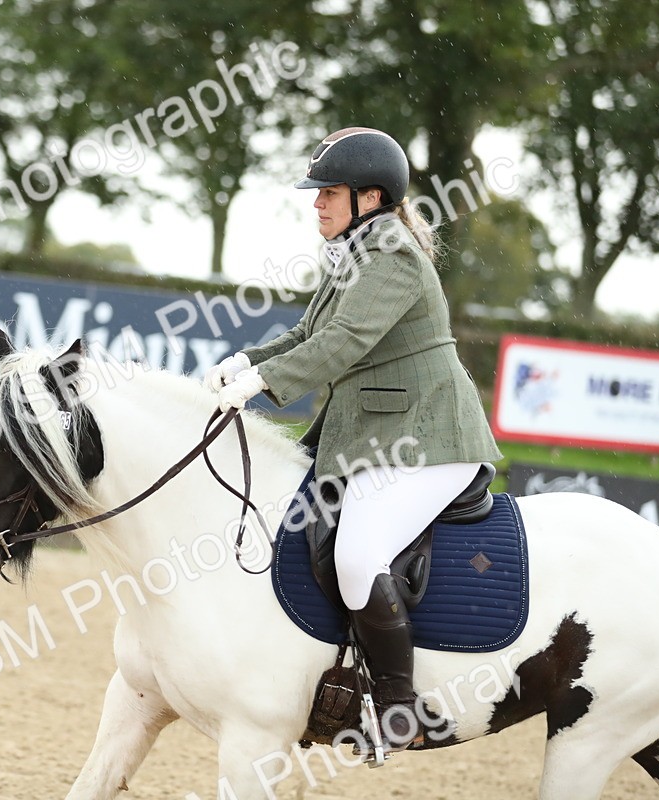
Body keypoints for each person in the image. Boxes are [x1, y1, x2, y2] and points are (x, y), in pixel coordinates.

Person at [206, 127, 502, 750]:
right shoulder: (355, 251)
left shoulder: (390, 254)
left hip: (430, 440)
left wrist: (262, 383)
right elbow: (309, 333)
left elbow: (344, 345)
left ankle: (399, 708)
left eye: (328, 192)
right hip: (379, 435)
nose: (315, 202)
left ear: (369, 198)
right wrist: (245, 360)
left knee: (359, 555)